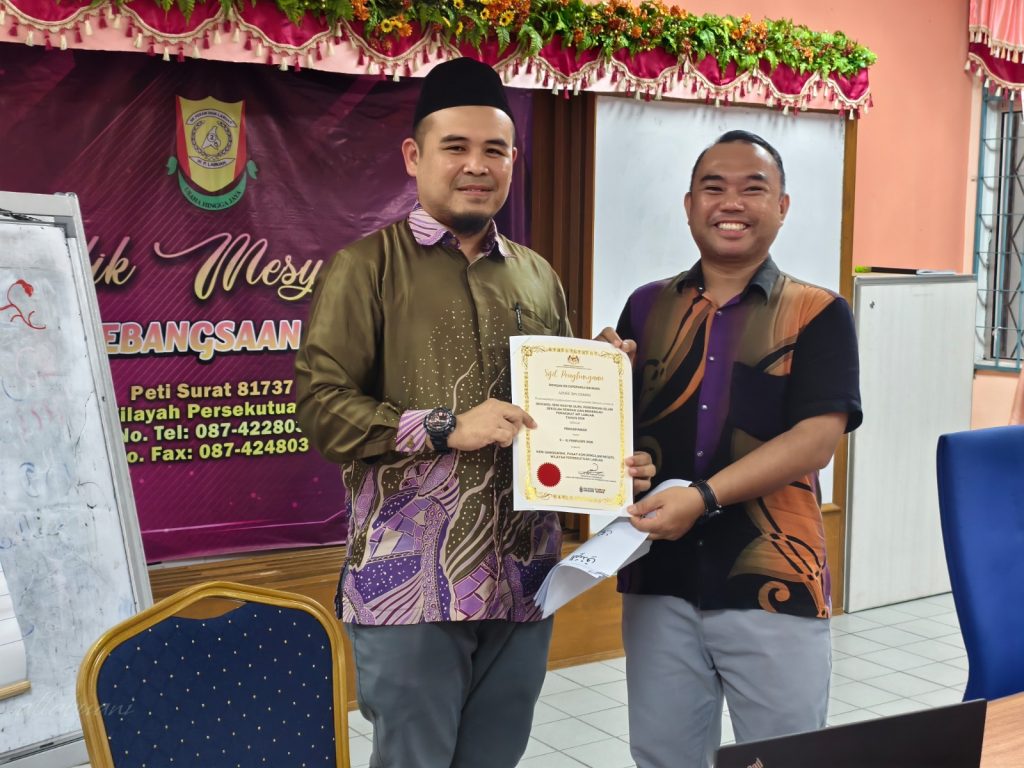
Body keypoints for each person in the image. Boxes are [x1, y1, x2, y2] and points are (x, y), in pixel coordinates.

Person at [295, 57, 652, 768]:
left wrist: (598, 392)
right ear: (414, 156)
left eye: (495, 149)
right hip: (410, 586)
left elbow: (546, 415)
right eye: (455, 147)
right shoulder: (365, 268)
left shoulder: (536, 273)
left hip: (524, 579)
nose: (476, 165)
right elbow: (322, 407)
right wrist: (447, 426)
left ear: (514, 160)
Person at [601, 130, 863, 768]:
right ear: (689, 204)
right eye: (713, 187)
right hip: (659, 579)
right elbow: (627, 439)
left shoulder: (818, 313)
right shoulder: (646, 306)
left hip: (772, 578)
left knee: (785, 759)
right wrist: (597, 389)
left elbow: (815, 442)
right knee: (664, 758)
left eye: (754, 189)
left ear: (782, 206)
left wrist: (703, 497)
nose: (731, 203)